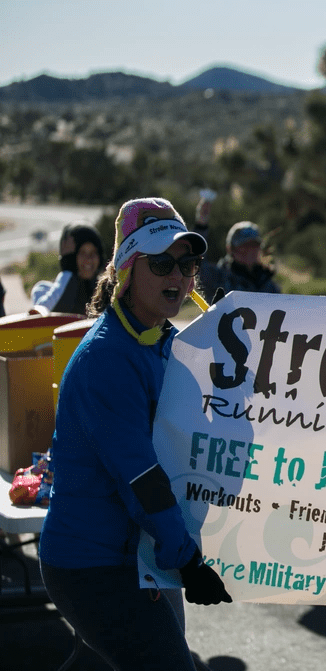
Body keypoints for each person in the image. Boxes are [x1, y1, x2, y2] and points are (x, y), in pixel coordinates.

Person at [39, 197, 231, 670]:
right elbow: (140, 476)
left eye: (187, 264)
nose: (178, 277)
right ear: (127, 269)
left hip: (136, 556)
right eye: (162, 263)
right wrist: (186, 561)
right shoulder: (109, 358)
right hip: (96, 565)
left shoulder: (157, 338)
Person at [194, 195, 280, 303]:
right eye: (243, 246)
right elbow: (195, 264)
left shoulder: (268, 285)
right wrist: (201, 226)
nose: (249, 251)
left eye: (254, 245)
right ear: (230, 249)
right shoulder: (218, 277)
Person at [31, 222, 106, 314]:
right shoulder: (42, 289)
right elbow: (43, 311)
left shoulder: (105, 292)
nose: (89, 259)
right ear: (72, 258)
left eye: (93, 253)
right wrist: (69, 268)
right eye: (82, 253)